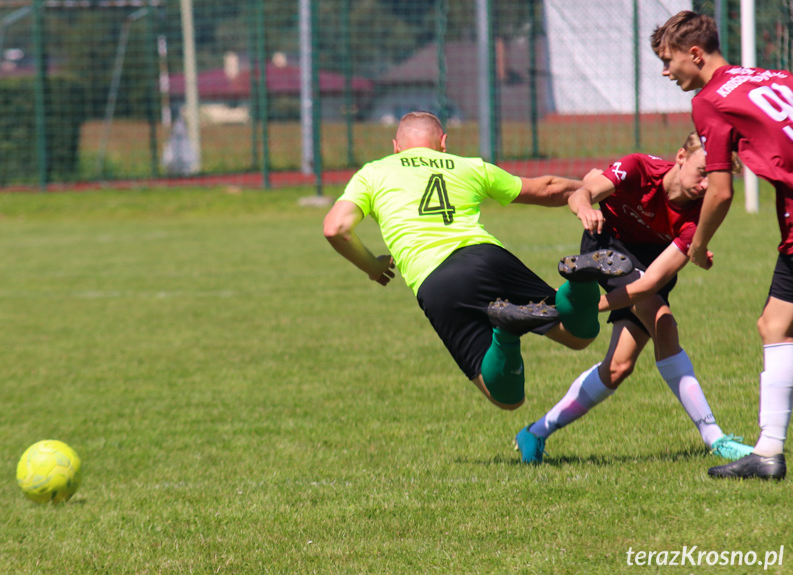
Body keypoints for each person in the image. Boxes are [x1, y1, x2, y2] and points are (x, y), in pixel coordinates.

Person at [323, 111, 632, 412]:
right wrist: (594, 187)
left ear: (395, 147)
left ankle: (506, 331)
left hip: (436, 281)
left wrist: (374, 267)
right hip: (489, 259)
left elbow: (335, 228)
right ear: (443, 142)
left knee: (507, 398)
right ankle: (580, 279)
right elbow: (547, 188)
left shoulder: (374, 172)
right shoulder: (467, 166)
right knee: (578, 335)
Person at [513, 133, 753, 464]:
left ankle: (535, 432)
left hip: (649, 263)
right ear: (681, 156)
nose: (705, 185)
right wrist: (585, 207)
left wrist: (586, 307)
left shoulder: (701, 215)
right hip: (607, 246)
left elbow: (651, 281)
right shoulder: (638, 168)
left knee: (619, 367)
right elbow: (583, 191)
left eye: (716, 179)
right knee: (663, 322)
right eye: (702, 172)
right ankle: (716, 438)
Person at [651, 11, 793, 480]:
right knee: (775, 323)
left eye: (670, 61)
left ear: (696, 54)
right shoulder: (774, 75)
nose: (667, 72)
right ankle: (768, 451)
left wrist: (696, 245)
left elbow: (720, 190)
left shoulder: (711, 100)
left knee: (776, 324)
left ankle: (770, 452)